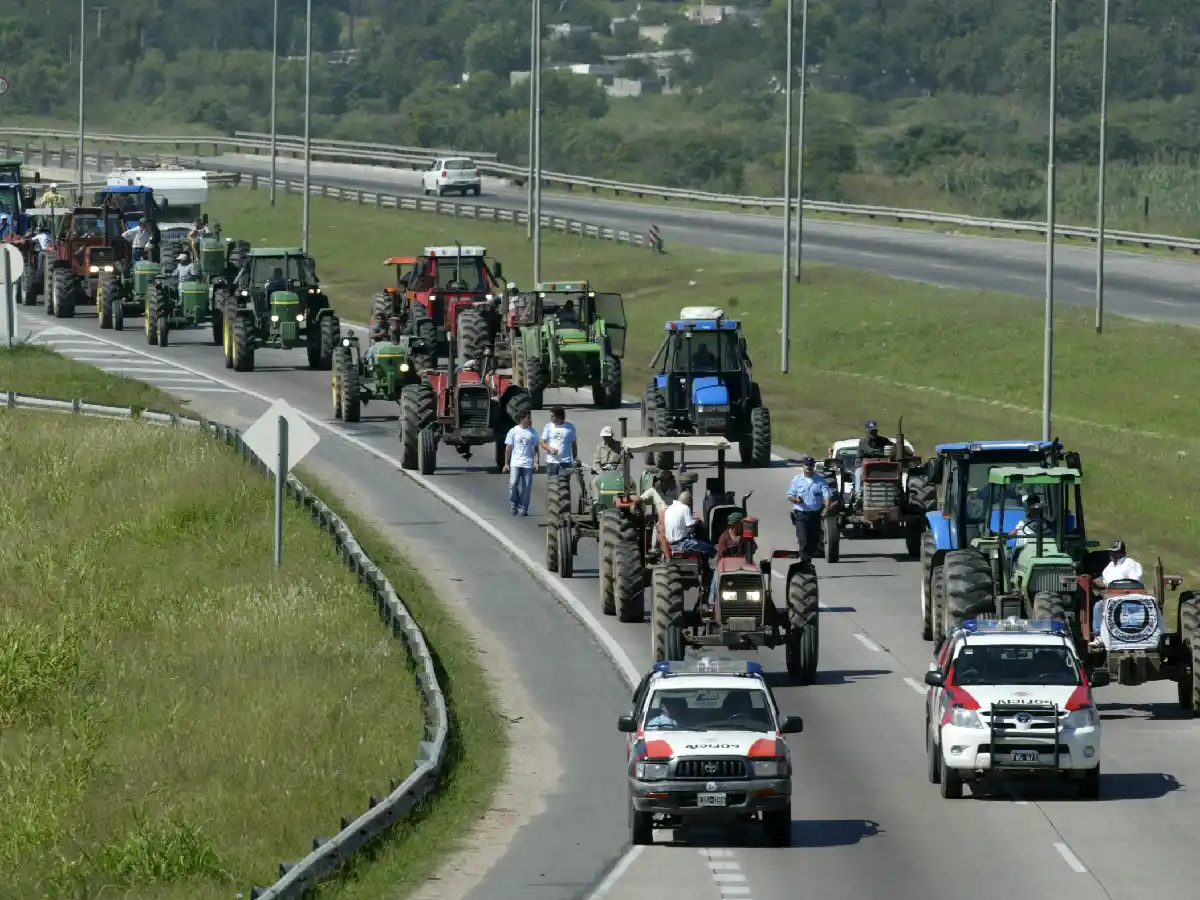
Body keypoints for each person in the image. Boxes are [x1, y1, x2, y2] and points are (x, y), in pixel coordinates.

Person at [1090, 540, 1145, 647]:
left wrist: (1119, 591)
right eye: (1111, 552)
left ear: (1122, 552)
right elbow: (1105, 581)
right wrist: (1092, 581)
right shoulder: (1110, 566)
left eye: (1115, 552)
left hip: (1129, 597)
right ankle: (1099, 635)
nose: (1111, 554)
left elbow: (1135, 583)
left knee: (1100, 606)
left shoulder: (1131, 564)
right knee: (1098, 606)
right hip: (1112, 598)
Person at [788, 456, 834, 565]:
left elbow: (827, 495)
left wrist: (826, 508)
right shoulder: (796, 480)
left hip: (815, 515)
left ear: (814, 466)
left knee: (814, 541)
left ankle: (808, 560)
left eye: (811, 465)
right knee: (803, 540)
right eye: (806, 465)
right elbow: (790, 495)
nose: (808, 467)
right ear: (803, 466)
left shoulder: (820, 481)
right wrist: (796, 500)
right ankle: (805, 563)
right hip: (801, 515)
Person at [707, 510, 750, 606]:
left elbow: (753, 548)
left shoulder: (745, 536)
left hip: (742, 565)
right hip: (725, 566)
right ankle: (712, 602)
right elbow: (722, 554)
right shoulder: (724, 537)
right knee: (716, 578)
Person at [503, 408, 539, 516]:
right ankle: (514, 503)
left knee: (527, 487)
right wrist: (506, 464)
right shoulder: (513, 431)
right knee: (513, 484)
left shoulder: (533, 432)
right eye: (528, 418)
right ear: (522, 419)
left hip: (528, 463)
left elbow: (536, 448)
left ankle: (523, 507)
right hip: (515, 463)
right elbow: (508, 448)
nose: (530, 420)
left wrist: (536, 462)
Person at [854, 420, 895, 504]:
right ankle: (858, 495)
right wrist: (882, 452)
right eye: (871, 431)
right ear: (867, 431)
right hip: (865, 466)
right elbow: (870, 451)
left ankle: (895, 494)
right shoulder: (863, 442)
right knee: (858, 473)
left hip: (881, 466)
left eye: (875, 430)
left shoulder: (884, 440)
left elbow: (893, 447)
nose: (874, 433)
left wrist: (898, 448)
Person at [664, 489, 715, 556]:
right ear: (688, 500)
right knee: (710, 548)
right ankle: (708, 563)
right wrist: (696, 522)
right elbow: (691, 529)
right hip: (682, 543)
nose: (691, 504)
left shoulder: (669, 509)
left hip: (670, 544)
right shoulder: (685, 508)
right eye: (691, 502)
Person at [540, 406, 578, 475]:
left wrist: (575, 458)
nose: (550, 418)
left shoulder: (570, 427)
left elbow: (573, 444)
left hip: (565, 462)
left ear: (558, 416)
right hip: (551, 461)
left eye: (552, 416)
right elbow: (542, 442)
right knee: (553, 481)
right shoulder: (548, 426)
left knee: (564, 481)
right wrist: (550, 448)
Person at [591, 424, 622, 500]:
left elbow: (623, 462)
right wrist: (601, 472)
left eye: (607, 437)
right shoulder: (599, 447)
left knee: (628, 483)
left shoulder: (620, 446)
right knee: (595, 482)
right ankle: (596, 501)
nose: (606, 438)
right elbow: (596, 463)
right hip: (603, 472)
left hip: (616, 472)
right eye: (604, 437)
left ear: (612, 435)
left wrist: (617, 471)